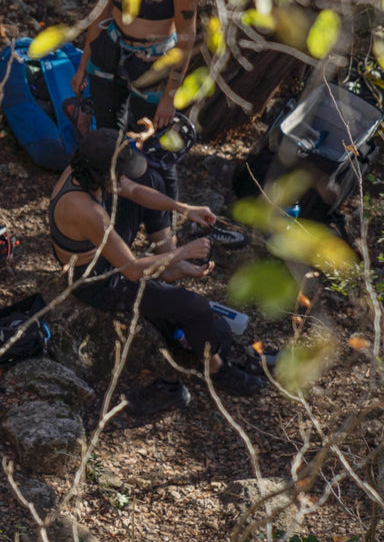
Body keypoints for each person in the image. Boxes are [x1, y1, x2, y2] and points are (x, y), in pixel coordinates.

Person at [48, 129, 264, 396]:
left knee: (152, 181)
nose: (124, 177)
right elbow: (132, 270)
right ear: (104, 175)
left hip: (101, 255)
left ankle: (168, 270)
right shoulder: (88, 211)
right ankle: (217, 370)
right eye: (120, 172)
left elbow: (136, 191)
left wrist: (184, 208)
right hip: (96, 280)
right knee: (195, 308)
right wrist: (183, 252)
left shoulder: (83, 169)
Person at [71, 0, 198, 252]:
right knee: (109, 139)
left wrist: (169, 97)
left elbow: (188, 35)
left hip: (154, 62)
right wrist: (84, 63)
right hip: (111, 51)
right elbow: (100, 8)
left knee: (155, 151)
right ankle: (112, 226)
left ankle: (165, 242)